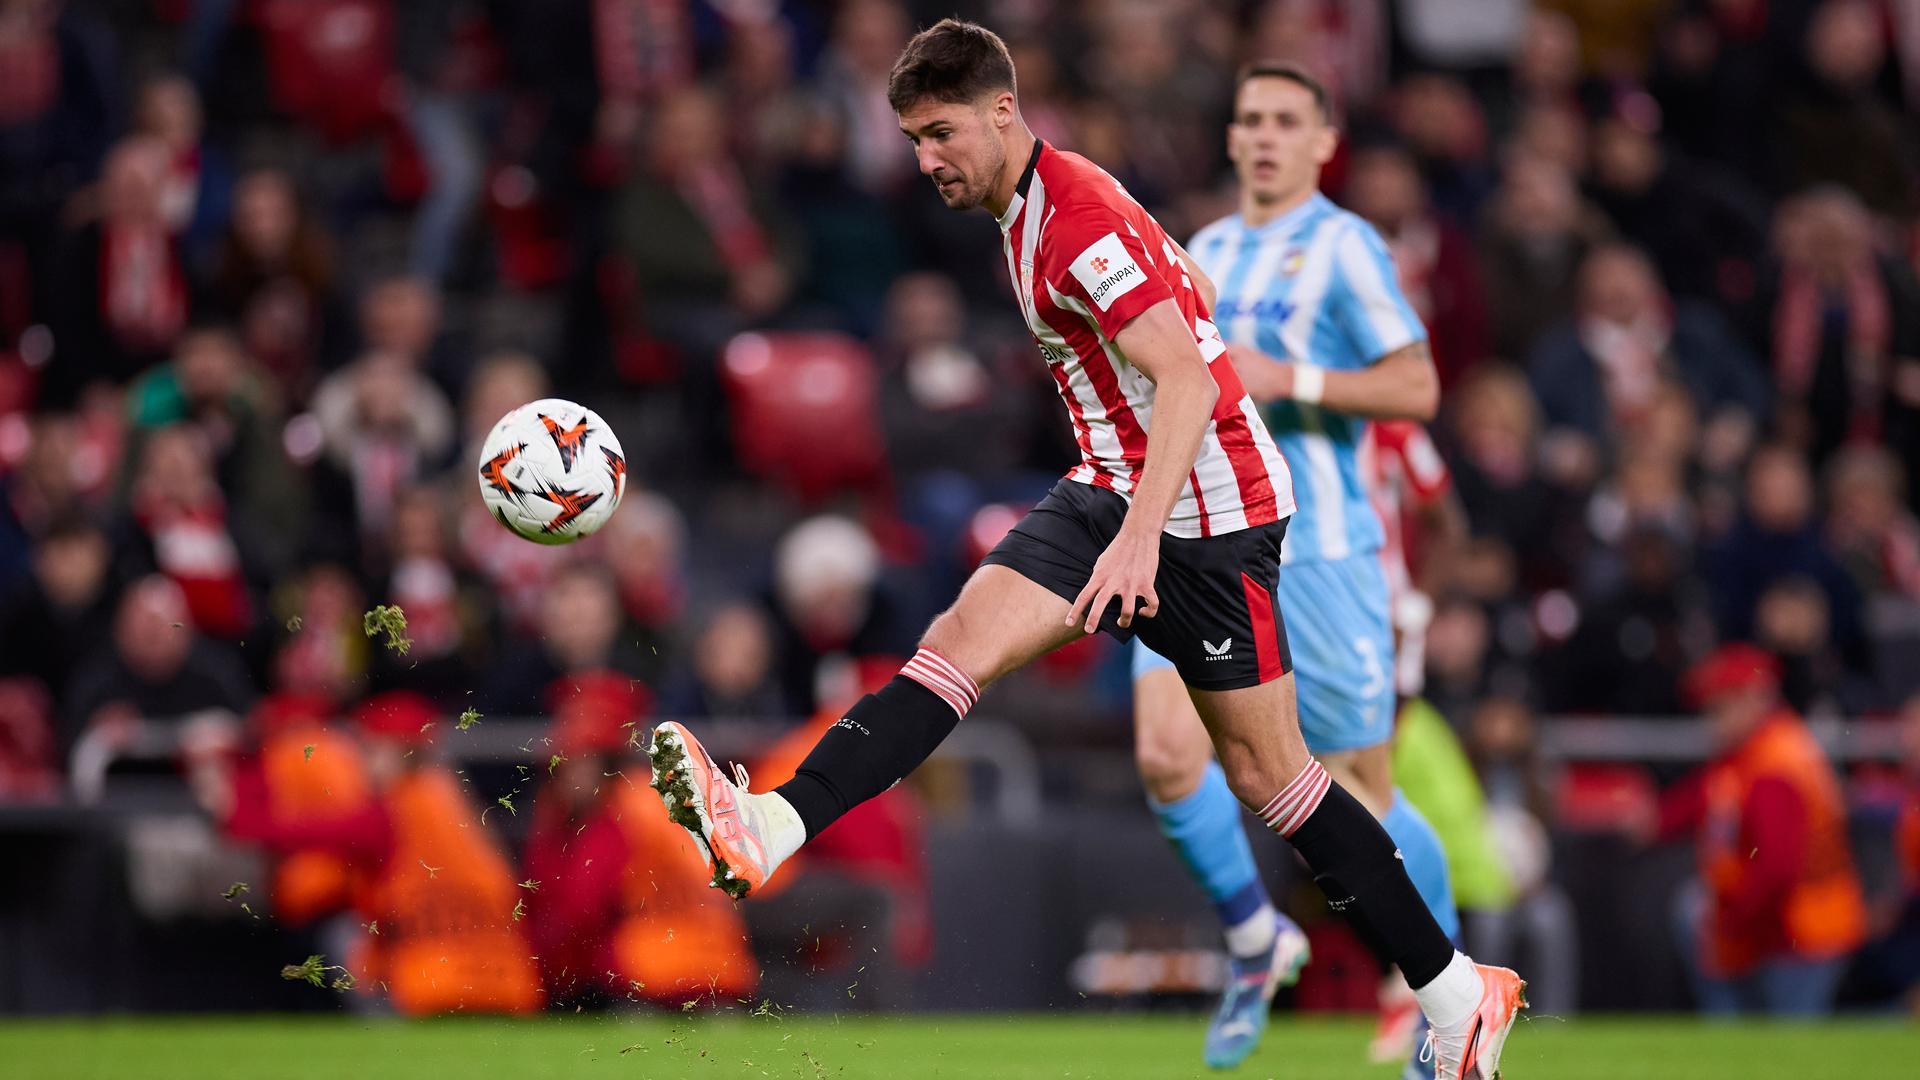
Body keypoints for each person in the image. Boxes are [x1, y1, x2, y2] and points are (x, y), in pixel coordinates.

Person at [645, 21, 1524, 1080]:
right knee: (952, 646)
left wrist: (1144, 544)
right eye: (915, 140)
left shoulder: (1073, 226)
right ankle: (769, 827)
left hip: (1210, 516)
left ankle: (1458, 993)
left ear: (1003, 112)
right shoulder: (1042, 199)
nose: (927, 161)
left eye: (940, 133)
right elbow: (1181, 281)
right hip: (1113, 484)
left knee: (1274, 778)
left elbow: (1192, 385)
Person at [1127, 63, 1463, 1072]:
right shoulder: (1206, 253)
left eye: (1287, 122)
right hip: (1206, 540)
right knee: (1165, 753)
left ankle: (1442, 992)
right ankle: (1252, 937)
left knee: (1359, 790)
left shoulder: (1347, 249)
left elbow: (1421, 387)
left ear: (1324, 144)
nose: (1265, 137)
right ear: (1230, 140)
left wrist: (1295, 378)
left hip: (1319, 552)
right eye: (1250, 121)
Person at [1665, 644, 1867, 1017]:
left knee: (1791, 1053)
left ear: (1751, 699)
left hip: (1801, 930)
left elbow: (1777, 869)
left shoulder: (1775, 765)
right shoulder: (1757, 750)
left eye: (1719, 707)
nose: (1712, 721)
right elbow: (1705, 795)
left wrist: (1730, 923)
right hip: (1787, 924)